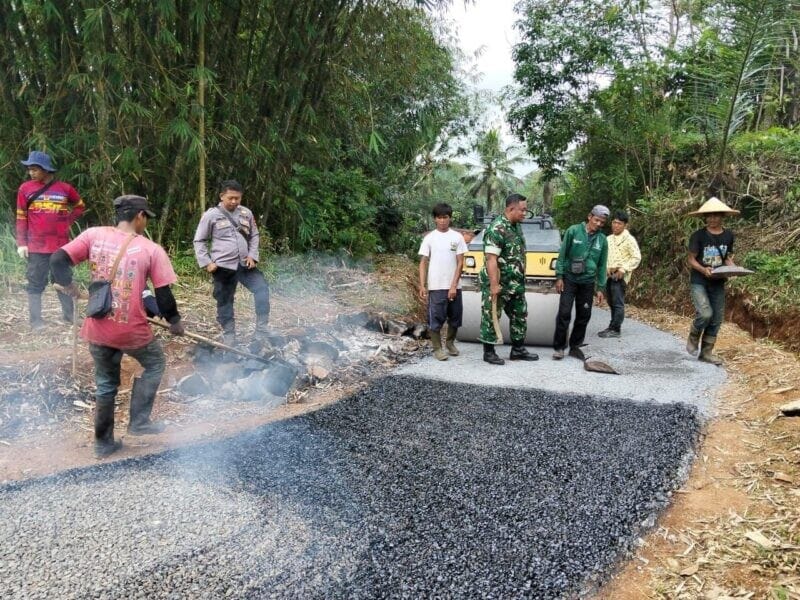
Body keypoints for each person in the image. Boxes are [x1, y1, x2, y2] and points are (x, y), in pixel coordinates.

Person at [50, 195, 185, 458]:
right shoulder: (151, 249)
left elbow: (57, 260)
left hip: (97, 327)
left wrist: (68, 286)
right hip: (131, 330)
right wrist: (175, 321)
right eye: (146, 217)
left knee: (105, 384)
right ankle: (140, 422)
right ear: (139, 217)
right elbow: (163, 294)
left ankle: (103, 443)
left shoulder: (93, 235)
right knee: (155, 363)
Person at [193, 180, 270, 344]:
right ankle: (230, 336)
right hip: (223, 267)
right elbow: (199, 240)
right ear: (222, 196)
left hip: (245, 264)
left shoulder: (246, 213)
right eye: (230, 198)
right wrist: (207, 262)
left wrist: (253, 255)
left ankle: (261, 331)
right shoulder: (211, 215)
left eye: (237, 198)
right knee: (224, 300)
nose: (234, 201)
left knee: (262, 289)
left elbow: (254, 235)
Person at [15, 151, 84, 329]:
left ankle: (69, 316)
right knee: (35, 282)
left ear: (46, 169)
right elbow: (21, 217)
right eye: (29, 169)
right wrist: (22, 243)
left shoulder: (64, 188)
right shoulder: (25, 189)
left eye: (35, 169)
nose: (31, 173)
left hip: (60, 246)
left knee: (64, 280)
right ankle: (36, 321)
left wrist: (66, 221)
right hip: (36, 246)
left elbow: (79, 206)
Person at [478, 193, 539, 365]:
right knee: (492, 315)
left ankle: (518, 350)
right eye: (522, 210)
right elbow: (491, 259)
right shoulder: (497, 228)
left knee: (520, 313)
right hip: (500, 282)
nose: (524, 213)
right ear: (511, 208)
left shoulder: (516, 226)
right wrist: (494, 285)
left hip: (515, 283)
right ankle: (489, 352)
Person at [686, 197, 739, 366]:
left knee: (716, 319)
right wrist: (703, 269)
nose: (712, 219)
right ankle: (694, 334)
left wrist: (734, 269)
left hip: (718, 282)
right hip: (699, 281)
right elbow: (691, 260)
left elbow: (727, 258)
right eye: (709, 216)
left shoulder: (729, 235)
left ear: (722, 216)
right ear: (705, 218)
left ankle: (706, 352)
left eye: (716, 215)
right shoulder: (698, 236)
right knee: (705, 314)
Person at [553, 205, 609, 359]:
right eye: (597, 220)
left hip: (588, 282)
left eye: (602, 222)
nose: (598, 224)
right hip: (569, 279)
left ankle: (575, 346)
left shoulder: (602, 240)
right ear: (589, 216)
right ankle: (559, 347)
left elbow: (602, 265)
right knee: (564, 313)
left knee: (584, 315)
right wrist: (559, 276)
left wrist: (600, 288)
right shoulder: (573, 231)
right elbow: (562, 255)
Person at [418, 203, 468, 360]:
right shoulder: (429, 238)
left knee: (455, 317)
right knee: (436, 318)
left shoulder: (457, 237)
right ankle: (437, 348)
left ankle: (450, 343)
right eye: (439, 218)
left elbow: (460, 262)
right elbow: (423, 262)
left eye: (445, 217)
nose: (442, 221)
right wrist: (422, 285)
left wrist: (453, 285)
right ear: (435, 219)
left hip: (454, 286)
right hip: (436, 285)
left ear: (450, 218)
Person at [598, 210, 641, 338]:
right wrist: (605, 268)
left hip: (620, 275)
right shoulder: (608, 239)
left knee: (617, 302)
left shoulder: (629, 240)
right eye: (614, 222)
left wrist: (624, 269)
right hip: (609, 274)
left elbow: (636, 257)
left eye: (619, 223)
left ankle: (616, 329)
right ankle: (612, 325)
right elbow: (604, 256)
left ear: (625, 225)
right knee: (611, 301)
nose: (616, 226)